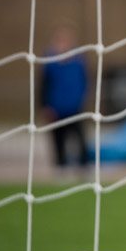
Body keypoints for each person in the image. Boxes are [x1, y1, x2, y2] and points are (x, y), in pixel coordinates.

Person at [40, 26, 90, 171]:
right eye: (61, 41)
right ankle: (60, 167)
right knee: (58, 139)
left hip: (74, 107)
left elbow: (85, 81)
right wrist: (45, 105)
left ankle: (84, 166)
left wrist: (82, 99)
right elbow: (43, 85)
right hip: (56, 108)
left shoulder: (78, 61)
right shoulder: (50, 62)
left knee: (80, 138)